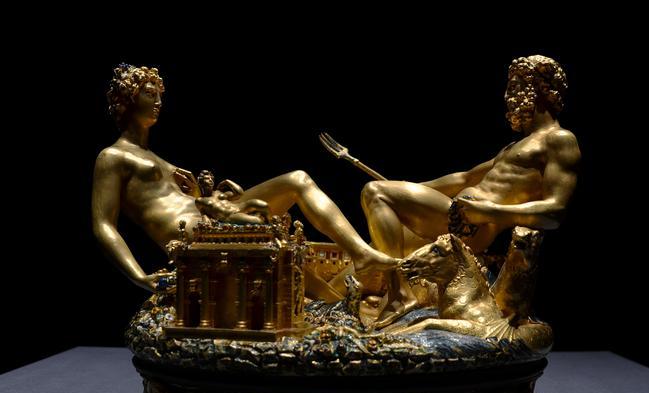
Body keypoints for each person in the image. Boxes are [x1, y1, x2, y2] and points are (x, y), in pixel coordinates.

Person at [92, 64, 395, 293]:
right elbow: (104, 225)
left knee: (298, 180)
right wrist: (139, 276)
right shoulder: (112, 156)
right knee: (276, 240)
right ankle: (336, 292)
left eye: (160, 95)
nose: (158, 101)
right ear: (127, 99)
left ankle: (358, 258)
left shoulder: (157, 157)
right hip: (194, 235)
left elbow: (189, 201)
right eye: (150, 94)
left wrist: (201, 191)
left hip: (212, 217)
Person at [359, 55, 581, 327]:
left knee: (375, 192)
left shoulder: (560, 140)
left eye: (515, 86)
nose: (508, 96)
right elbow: (464, 177)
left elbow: (555, 211)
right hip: (459, 215)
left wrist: (490, 212)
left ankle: (399, 295)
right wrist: (409, 189)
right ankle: (356, 298)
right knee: (373, 247)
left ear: (540, 90)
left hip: (472, 227)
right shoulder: (513, 147)